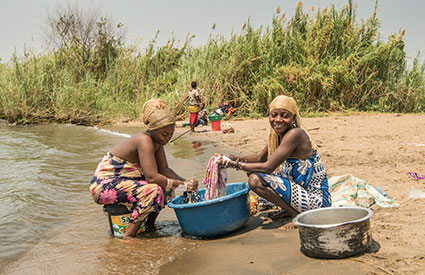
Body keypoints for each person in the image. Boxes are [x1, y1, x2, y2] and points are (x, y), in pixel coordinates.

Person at [89, 99, 198, 239]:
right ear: (152, 130)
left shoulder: (157, 142)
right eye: (164, 134)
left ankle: (149, 225)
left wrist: (185, 181)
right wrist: (181, 184)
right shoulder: (144, 140)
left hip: (124, 182)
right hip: (103, 186)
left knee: (166, 188)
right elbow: (152, 177)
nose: (168, 138)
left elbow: (164, 169)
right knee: (154, 190)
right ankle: (128, 236)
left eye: (171, 134)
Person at [220, 95, 331, 230]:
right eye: (274, 115)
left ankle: (295, 214)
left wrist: (232, 164)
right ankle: (289, 209)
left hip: (317, 202)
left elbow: (267, 167)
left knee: (255, 180)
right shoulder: (278, 136)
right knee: (252, 171)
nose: (278, 120)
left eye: (284, 116)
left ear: (293, 118)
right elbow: (260, 158)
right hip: (300, 192)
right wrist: (231, 157)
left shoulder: (295, 134)